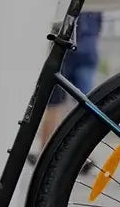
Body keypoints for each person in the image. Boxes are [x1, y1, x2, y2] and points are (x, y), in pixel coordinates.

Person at [37, 9, 103, 151]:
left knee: (55, 105)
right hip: (85, 50)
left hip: (65, 50)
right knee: (88, 106)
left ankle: (45, 152)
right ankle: (83, 154)